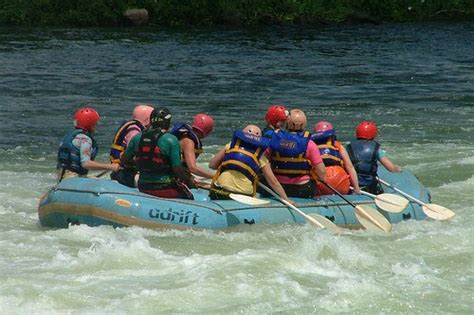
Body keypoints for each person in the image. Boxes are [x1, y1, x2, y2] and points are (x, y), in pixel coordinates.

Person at [121, 107, 196, 199]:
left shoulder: (137, 137)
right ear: (167, 122)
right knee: (189, 197)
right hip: (165, 187)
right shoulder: (171, 140)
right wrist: (189, 180)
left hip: (143, 186)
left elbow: (124, 160)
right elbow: (177, 169)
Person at [208, 124, 292, 203]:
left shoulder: (230, 146)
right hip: (244, 195)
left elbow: (212, 165)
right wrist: (285, 198)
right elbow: (273, 181)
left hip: (220, 192)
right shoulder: (260, 156)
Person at [266, 109, 326, 198]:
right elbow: (322, 173)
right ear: (304, 124)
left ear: (286, 123)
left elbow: (263, 163)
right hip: (303, 188)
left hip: (278, 188)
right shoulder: (310, 144)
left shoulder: (273, 139)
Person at [57, 107, 119, 182]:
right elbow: (86, 164)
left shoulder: (71, 136)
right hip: (73, 179)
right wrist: (111, 167)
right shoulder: (85, 139)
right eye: (95, 124)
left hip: (63, 177)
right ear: (91, 124)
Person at [346, 121, 401, 194]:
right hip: (369, 186)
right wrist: (399, 169)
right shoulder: (376, 148)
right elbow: (391, 168)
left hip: (352, 185)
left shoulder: (348, 148)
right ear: (373, 134)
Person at [109, 104, 154, 187]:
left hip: (124, 171)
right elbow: (133, 153)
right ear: (147, 119)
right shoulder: (134, 130)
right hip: (124, 174)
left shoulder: (134, 127)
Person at [311, 121, 360, 195]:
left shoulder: (310, 146)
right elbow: (350, 167)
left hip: (322, 185)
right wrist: (356, 188)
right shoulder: (338, 146)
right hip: (342, 183)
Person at [169, 113, 215, 179]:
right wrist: (214, 177)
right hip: (174, 174)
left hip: (178, 172)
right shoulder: (189, 142)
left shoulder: (188, 138)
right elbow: (192, 168)